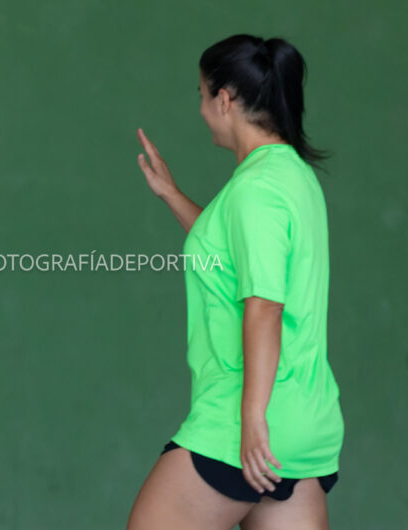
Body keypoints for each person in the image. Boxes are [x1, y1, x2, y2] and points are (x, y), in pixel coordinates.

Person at [128, 34, 343, 529]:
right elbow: (229, 257)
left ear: (224, 99)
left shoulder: (256, 190)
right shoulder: (293, 177)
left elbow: (263, 305)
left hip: (245, 426)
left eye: (202, 95)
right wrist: (171, 194)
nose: (201, 109)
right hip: (304, 430)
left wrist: (252, 419)